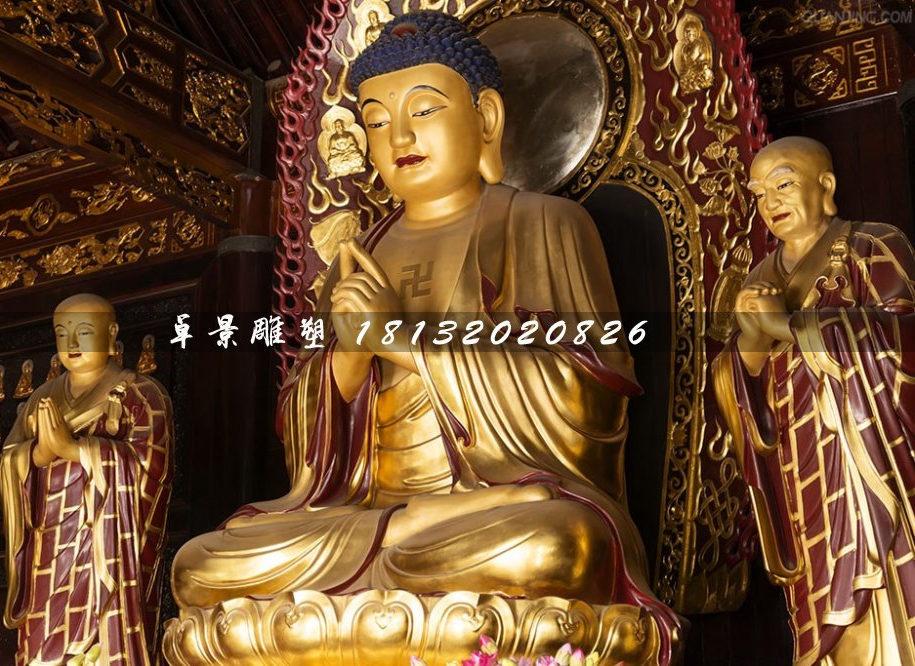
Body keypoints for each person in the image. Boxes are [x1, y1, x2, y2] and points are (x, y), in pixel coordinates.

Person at [171, 11, 680, 664]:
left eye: (424, 110)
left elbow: (583, 396)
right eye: (376, 121)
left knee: (560, 547)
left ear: (486, 119)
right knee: (201, 563)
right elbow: (306, 434)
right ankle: (402, 534)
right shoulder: (359, 259)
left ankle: (404, 543)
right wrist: (350, 357)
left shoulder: (546, 223)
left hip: (498, 510)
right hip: (365, 520)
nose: (399, 137)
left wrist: (401, 341)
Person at [714, 136, 915, 665]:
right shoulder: (759, 279)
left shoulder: (873, 246)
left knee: (880, 589)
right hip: (799, 471)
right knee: (821, 601)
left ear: (825, 186)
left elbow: (904, 341)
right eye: (759, 194)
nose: (770, 203)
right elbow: (737, 388)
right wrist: (752, 344)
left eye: (783, 184)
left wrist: (789, 326)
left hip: (867, 459)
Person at [0, 293, 173, 666]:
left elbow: (151, 467)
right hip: (48, 541)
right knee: (41, 637)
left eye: (83, 331)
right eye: (62, 334)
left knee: (96, 631)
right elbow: (10, 460)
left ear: (111, 333)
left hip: (104, 542)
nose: (72, 343)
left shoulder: (141, 394)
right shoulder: (41, 398)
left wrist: (75, 449)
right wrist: (40, 454)